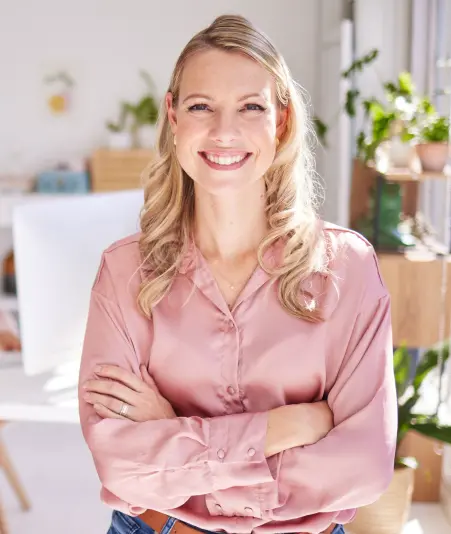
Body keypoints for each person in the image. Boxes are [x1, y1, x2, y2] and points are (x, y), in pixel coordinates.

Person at [79, 14, 397, 534]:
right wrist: (279, 428)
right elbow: (120, 463)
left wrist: (172, 433)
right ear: (174, 117)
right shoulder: (124, 272)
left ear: (283, 121)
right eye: (201, 106)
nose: (224, 131)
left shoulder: (347, 268)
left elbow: (362, 467)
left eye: (251, 107)